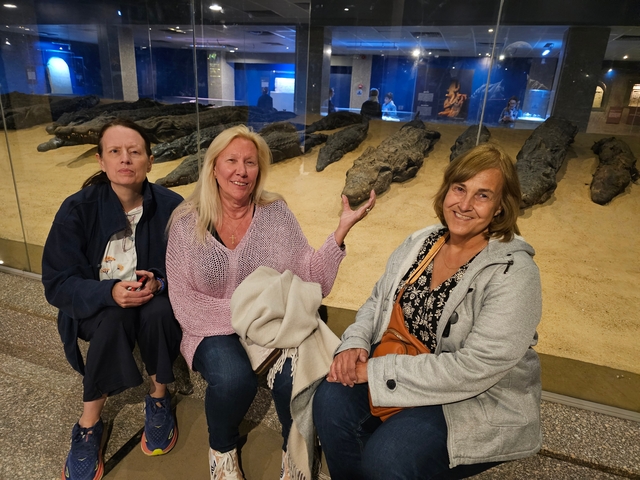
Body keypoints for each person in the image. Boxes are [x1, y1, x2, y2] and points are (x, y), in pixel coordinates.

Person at [314, 143, 543, 480]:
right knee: (330, 400)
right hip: (401, 367)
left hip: (470, 395)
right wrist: (355, 342)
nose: (464, 205)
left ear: (499, 207)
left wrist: (378, 372)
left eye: (482, 196)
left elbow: (476, 367)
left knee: (389, 458)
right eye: (459, 189)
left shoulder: (515, 273)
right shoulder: (421, 242)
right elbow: (378, 300)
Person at [165, 124, 375, 480]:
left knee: (296, 378)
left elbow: (312, 277)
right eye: (231, 160)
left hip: (270, 323)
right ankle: (223, 450)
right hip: (208, 327)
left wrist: (338, 234)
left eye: (250, 162)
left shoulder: (274, 213)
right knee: (234, 380)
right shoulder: (188, 221)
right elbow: (184, 302)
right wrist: (247, 314)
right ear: (214, 166)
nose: (241, 170)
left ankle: (294, 454)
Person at [42, 118, 183, 480]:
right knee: (113, 317)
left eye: (135, 152)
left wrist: (160, 283)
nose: (126, 160)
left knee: (161, 312)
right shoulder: (77, 208)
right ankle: (89, 424)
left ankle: (158, 398)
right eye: (115, 152)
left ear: (150, 161)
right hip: (97, 307)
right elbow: (57, 281)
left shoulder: (172, 207)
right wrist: (107, 292)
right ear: (101, 161)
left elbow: (189, 269)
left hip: (151, 302)